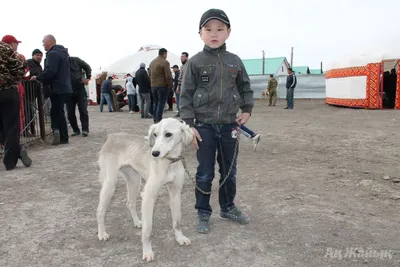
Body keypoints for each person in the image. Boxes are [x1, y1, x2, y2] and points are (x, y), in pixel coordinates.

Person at [180, 8, 254, 234]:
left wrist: (247, 109)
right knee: (205, 172)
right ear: (200, 33)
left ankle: (228, 207)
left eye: (220, 29)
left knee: (229, 170)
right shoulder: (194, 62)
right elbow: (185, 95)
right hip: (203, 127)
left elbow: (245, 88)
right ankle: (203, 212)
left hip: (230, 125)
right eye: (209, 29)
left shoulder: (235, 61)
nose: (214, 34)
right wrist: (190, 125)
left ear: (228, 32)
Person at [31, 35, 72, 145]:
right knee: (59, 112)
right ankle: (63, 137)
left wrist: (38, 77)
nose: (43, 44)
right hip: (65, 87)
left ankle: (56, 130)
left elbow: (51, 71)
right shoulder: (63, 53)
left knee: (54, 112)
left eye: (43, 41)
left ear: (49, 42)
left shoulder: (53, 54)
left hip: (57, 87)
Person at [0, 40, 32, 170]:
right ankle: (10, 161)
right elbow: (20, 68)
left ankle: (17, 150)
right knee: (12, 127)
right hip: (8, 90)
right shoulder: (4, 48)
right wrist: (14, 78)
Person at [67, 56, 92, 137]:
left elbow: (87, 66)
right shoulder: (60, 63)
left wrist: (88, 78)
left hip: (79, 88)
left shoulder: (76, 60)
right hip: (68, 91)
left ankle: (85, 129)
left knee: (83, 110)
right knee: (70, 112)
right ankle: (75, 130)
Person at [149, 48, 173, 123]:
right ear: (165, 54)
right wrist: (170, 85)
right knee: (161, 103)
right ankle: (158, 119)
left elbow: (149, 74)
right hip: (162, 85)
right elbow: (168, 75)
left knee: (156, 103)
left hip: (153, 86)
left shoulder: (152, 62)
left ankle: (155, 119)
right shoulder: (165, 62)